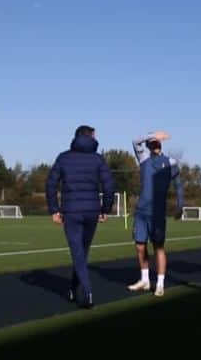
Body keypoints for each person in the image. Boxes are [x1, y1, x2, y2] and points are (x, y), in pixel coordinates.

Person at [46, 125, 116, 308]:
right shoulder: (98, 159)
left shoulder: (64, 158)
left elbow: (51, 184)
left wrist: (54, 209)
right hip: (92, 211)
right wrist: (105, 210)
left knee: (78, 253)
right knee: (82, 254)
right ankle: (72, 288)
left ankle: (87, 291)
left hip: (71, 212)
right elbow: (109, 186)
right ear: (90, 137)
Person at [128, 133, 184, 296]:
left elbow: (178, 185)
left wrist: (180, 205)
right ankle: (145, 280)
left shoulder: (170, 162)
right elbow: (134, 141)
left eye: (158, 142)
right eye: (152, 143)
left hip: (158, 213)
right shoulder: (143, 158)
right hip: (141, 212)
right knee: (139, 246)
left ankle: (160, 284)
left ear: (161, 144)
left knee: (158, 247)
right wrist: (151, 135)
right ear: (148, 145)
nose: (156, 145)